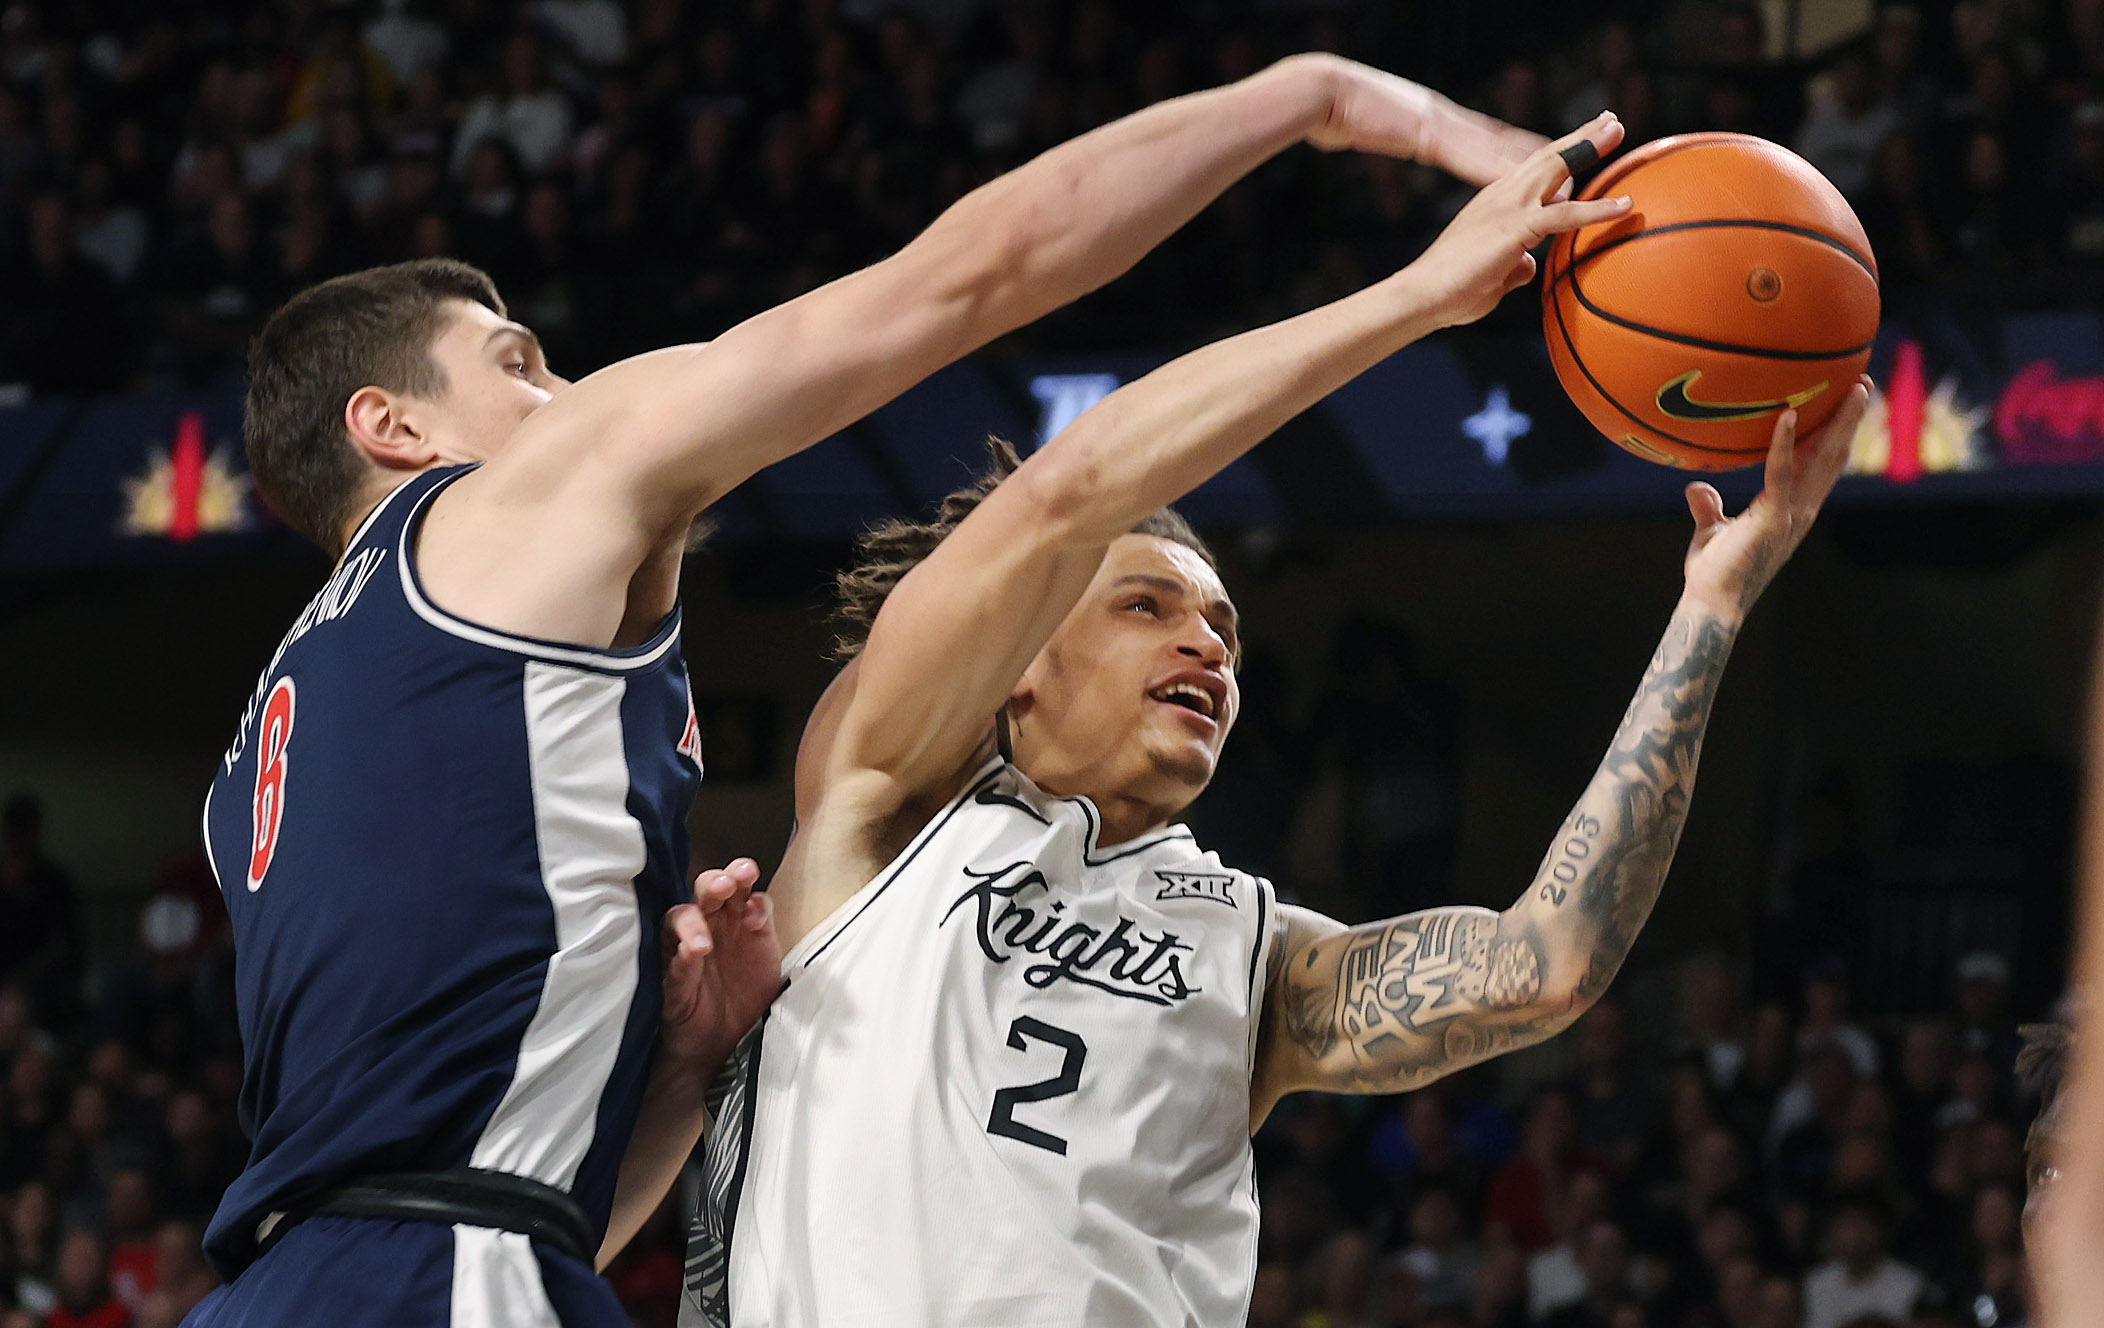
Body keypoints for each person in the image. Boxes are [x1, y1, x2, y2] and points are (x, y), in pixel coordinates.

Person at [182, 52, 1545, 1328]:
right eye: (520, 366)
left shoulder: (269, 747)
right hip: (446, 1277)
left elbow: (530, 1198)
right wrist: (1321, 105)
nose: (574, 392)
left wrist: (679, 1068)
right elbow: (969, 277)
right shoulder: (510, 512)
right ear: (392, 428)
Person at [685, 108, 1872, 1325]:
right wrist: (1415, 297)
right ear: (1016, 666)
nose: (1205, 641)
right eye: (1147, 605)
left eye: (1226, 631)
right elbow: (1067, 494)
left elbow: (1545, 964)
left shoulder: (1247, 943)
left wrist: (1711, 608)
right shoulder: (886, 800)